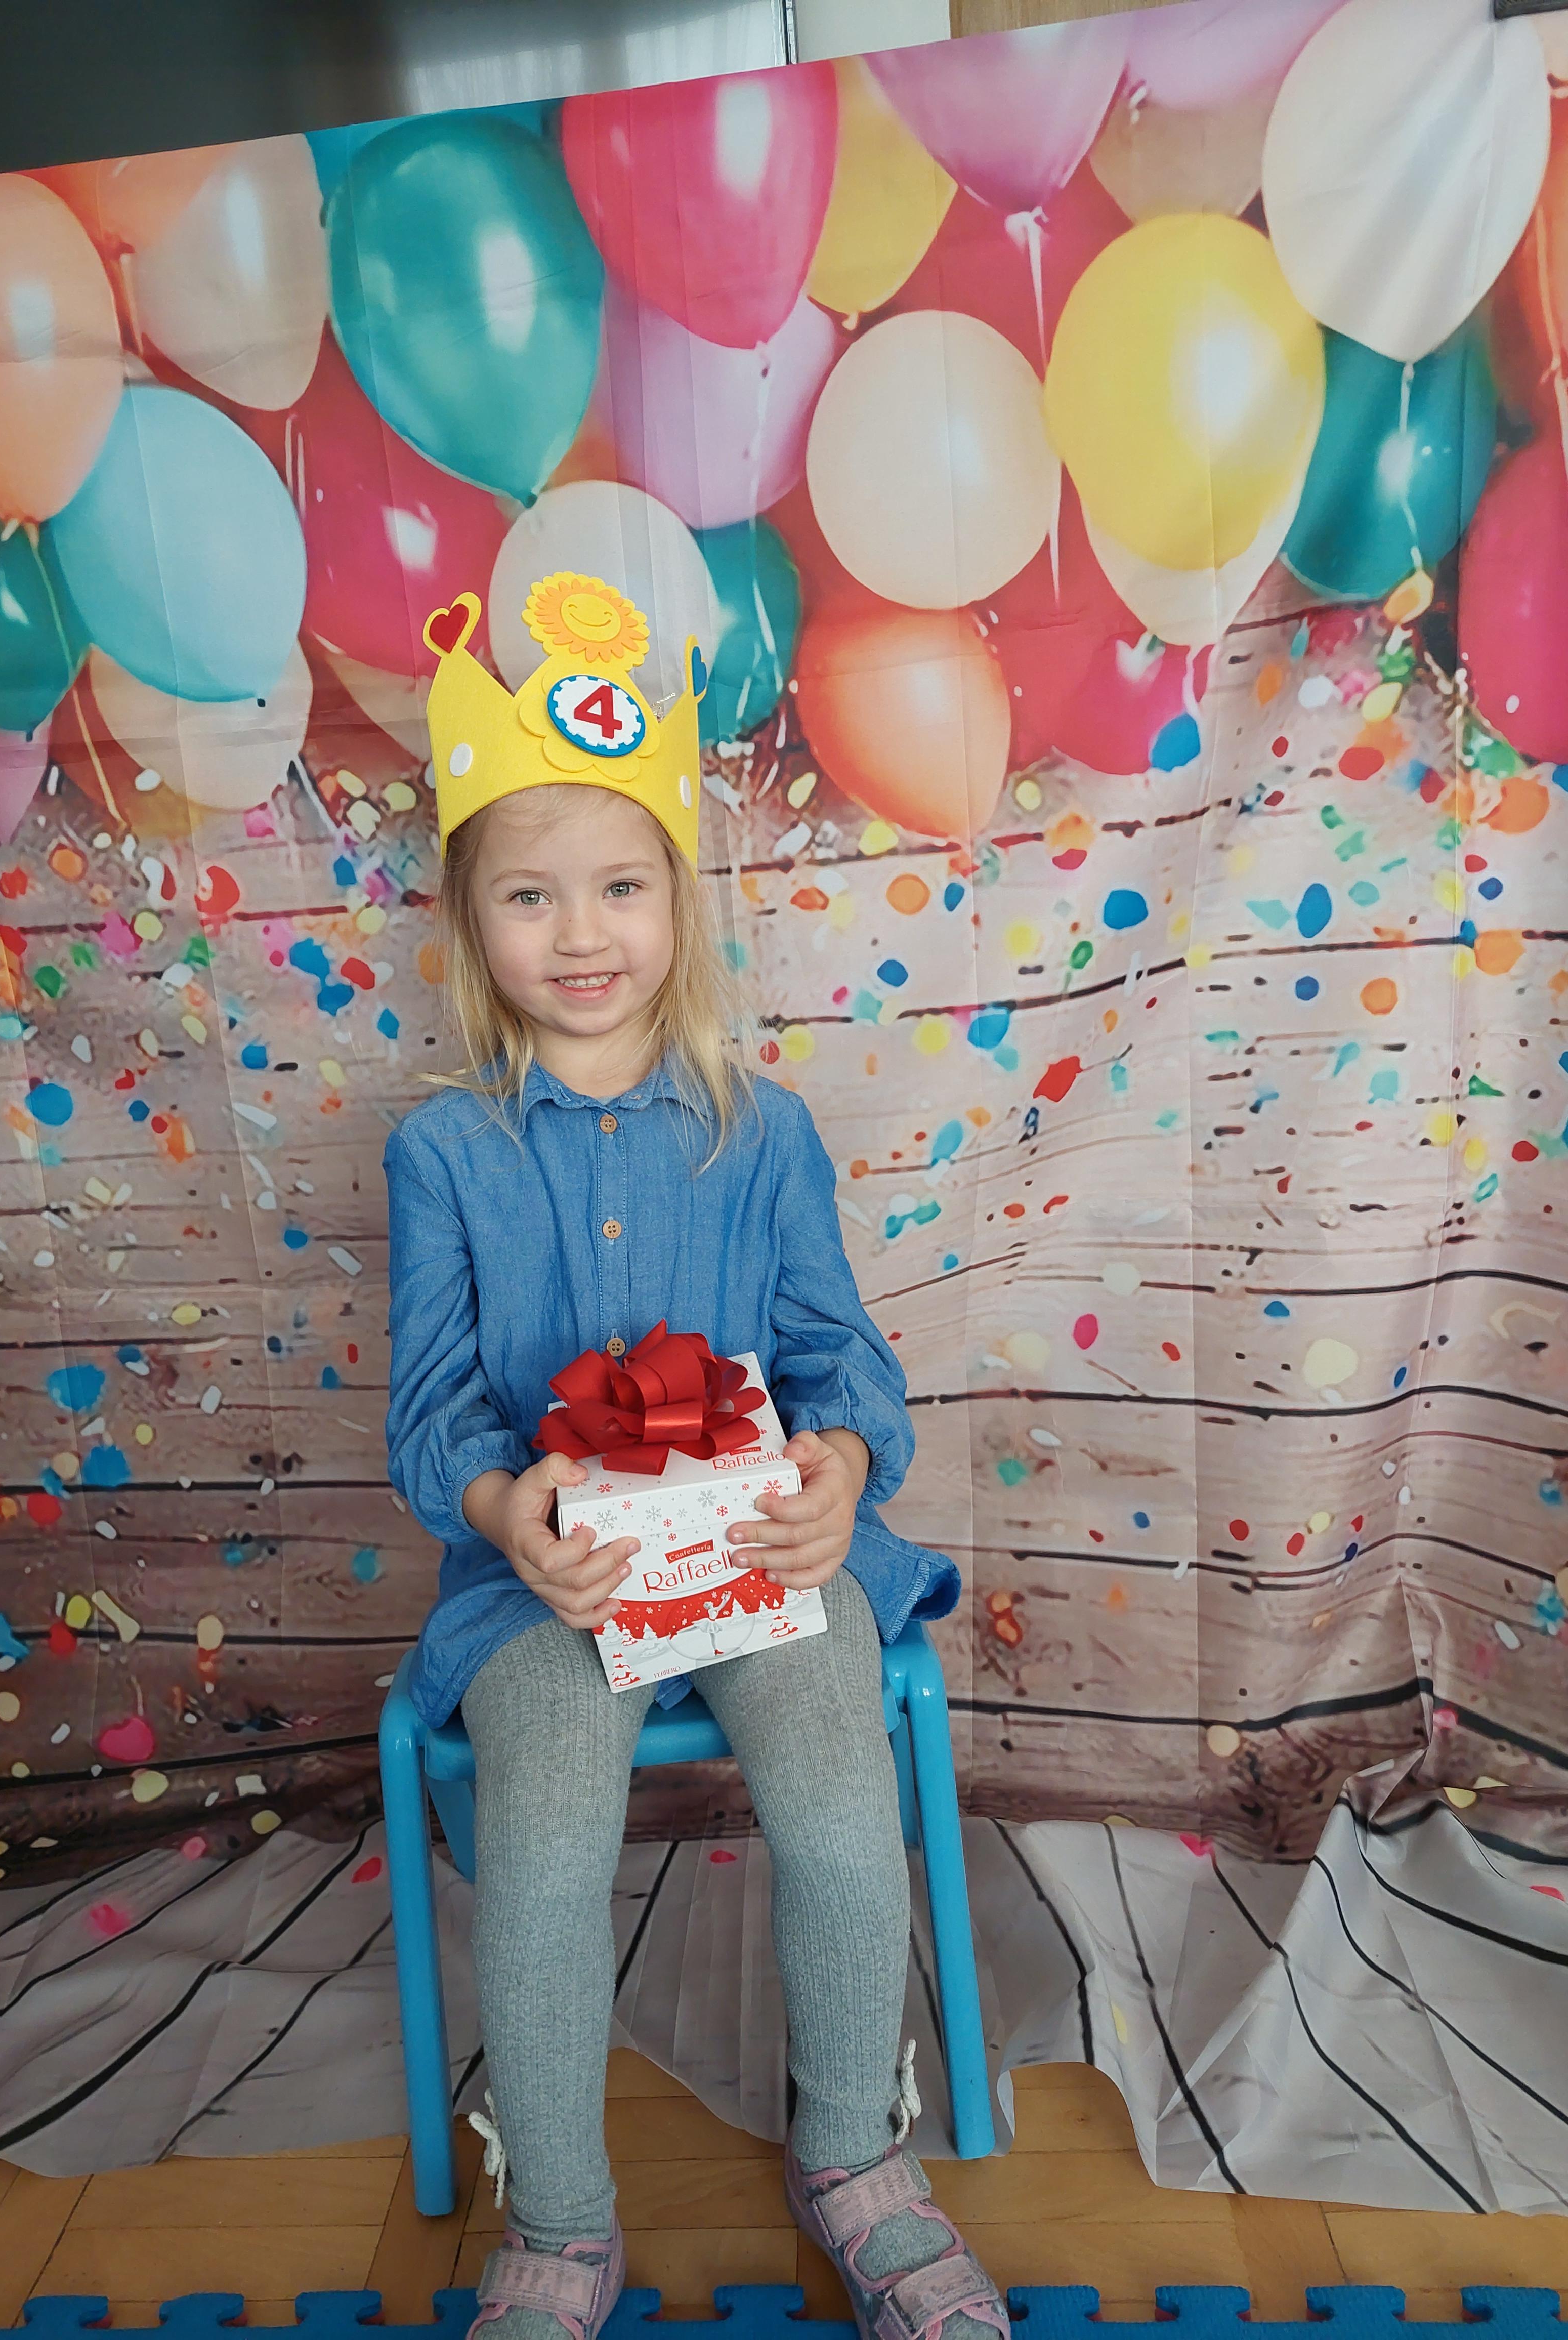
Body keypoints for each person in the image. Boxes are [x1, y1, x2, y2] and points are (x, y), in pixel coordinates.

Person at [385, 572, 1007, 2340]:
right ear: (471, 922)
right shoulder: (445, 1154)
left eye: (619, 886)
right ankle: (561, 2226)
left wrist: (840, 1469)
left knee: (839, 1819)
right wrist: (504, 1503)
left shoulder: (764, 1130)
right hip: (549, 1586)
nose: (579, 935)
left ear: (676, 900)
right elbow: (429, 1411)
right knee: (544, 1856)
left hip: (758, 1562)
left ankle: (852, 2157)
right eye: (528, 895)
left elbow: (838, 1357)